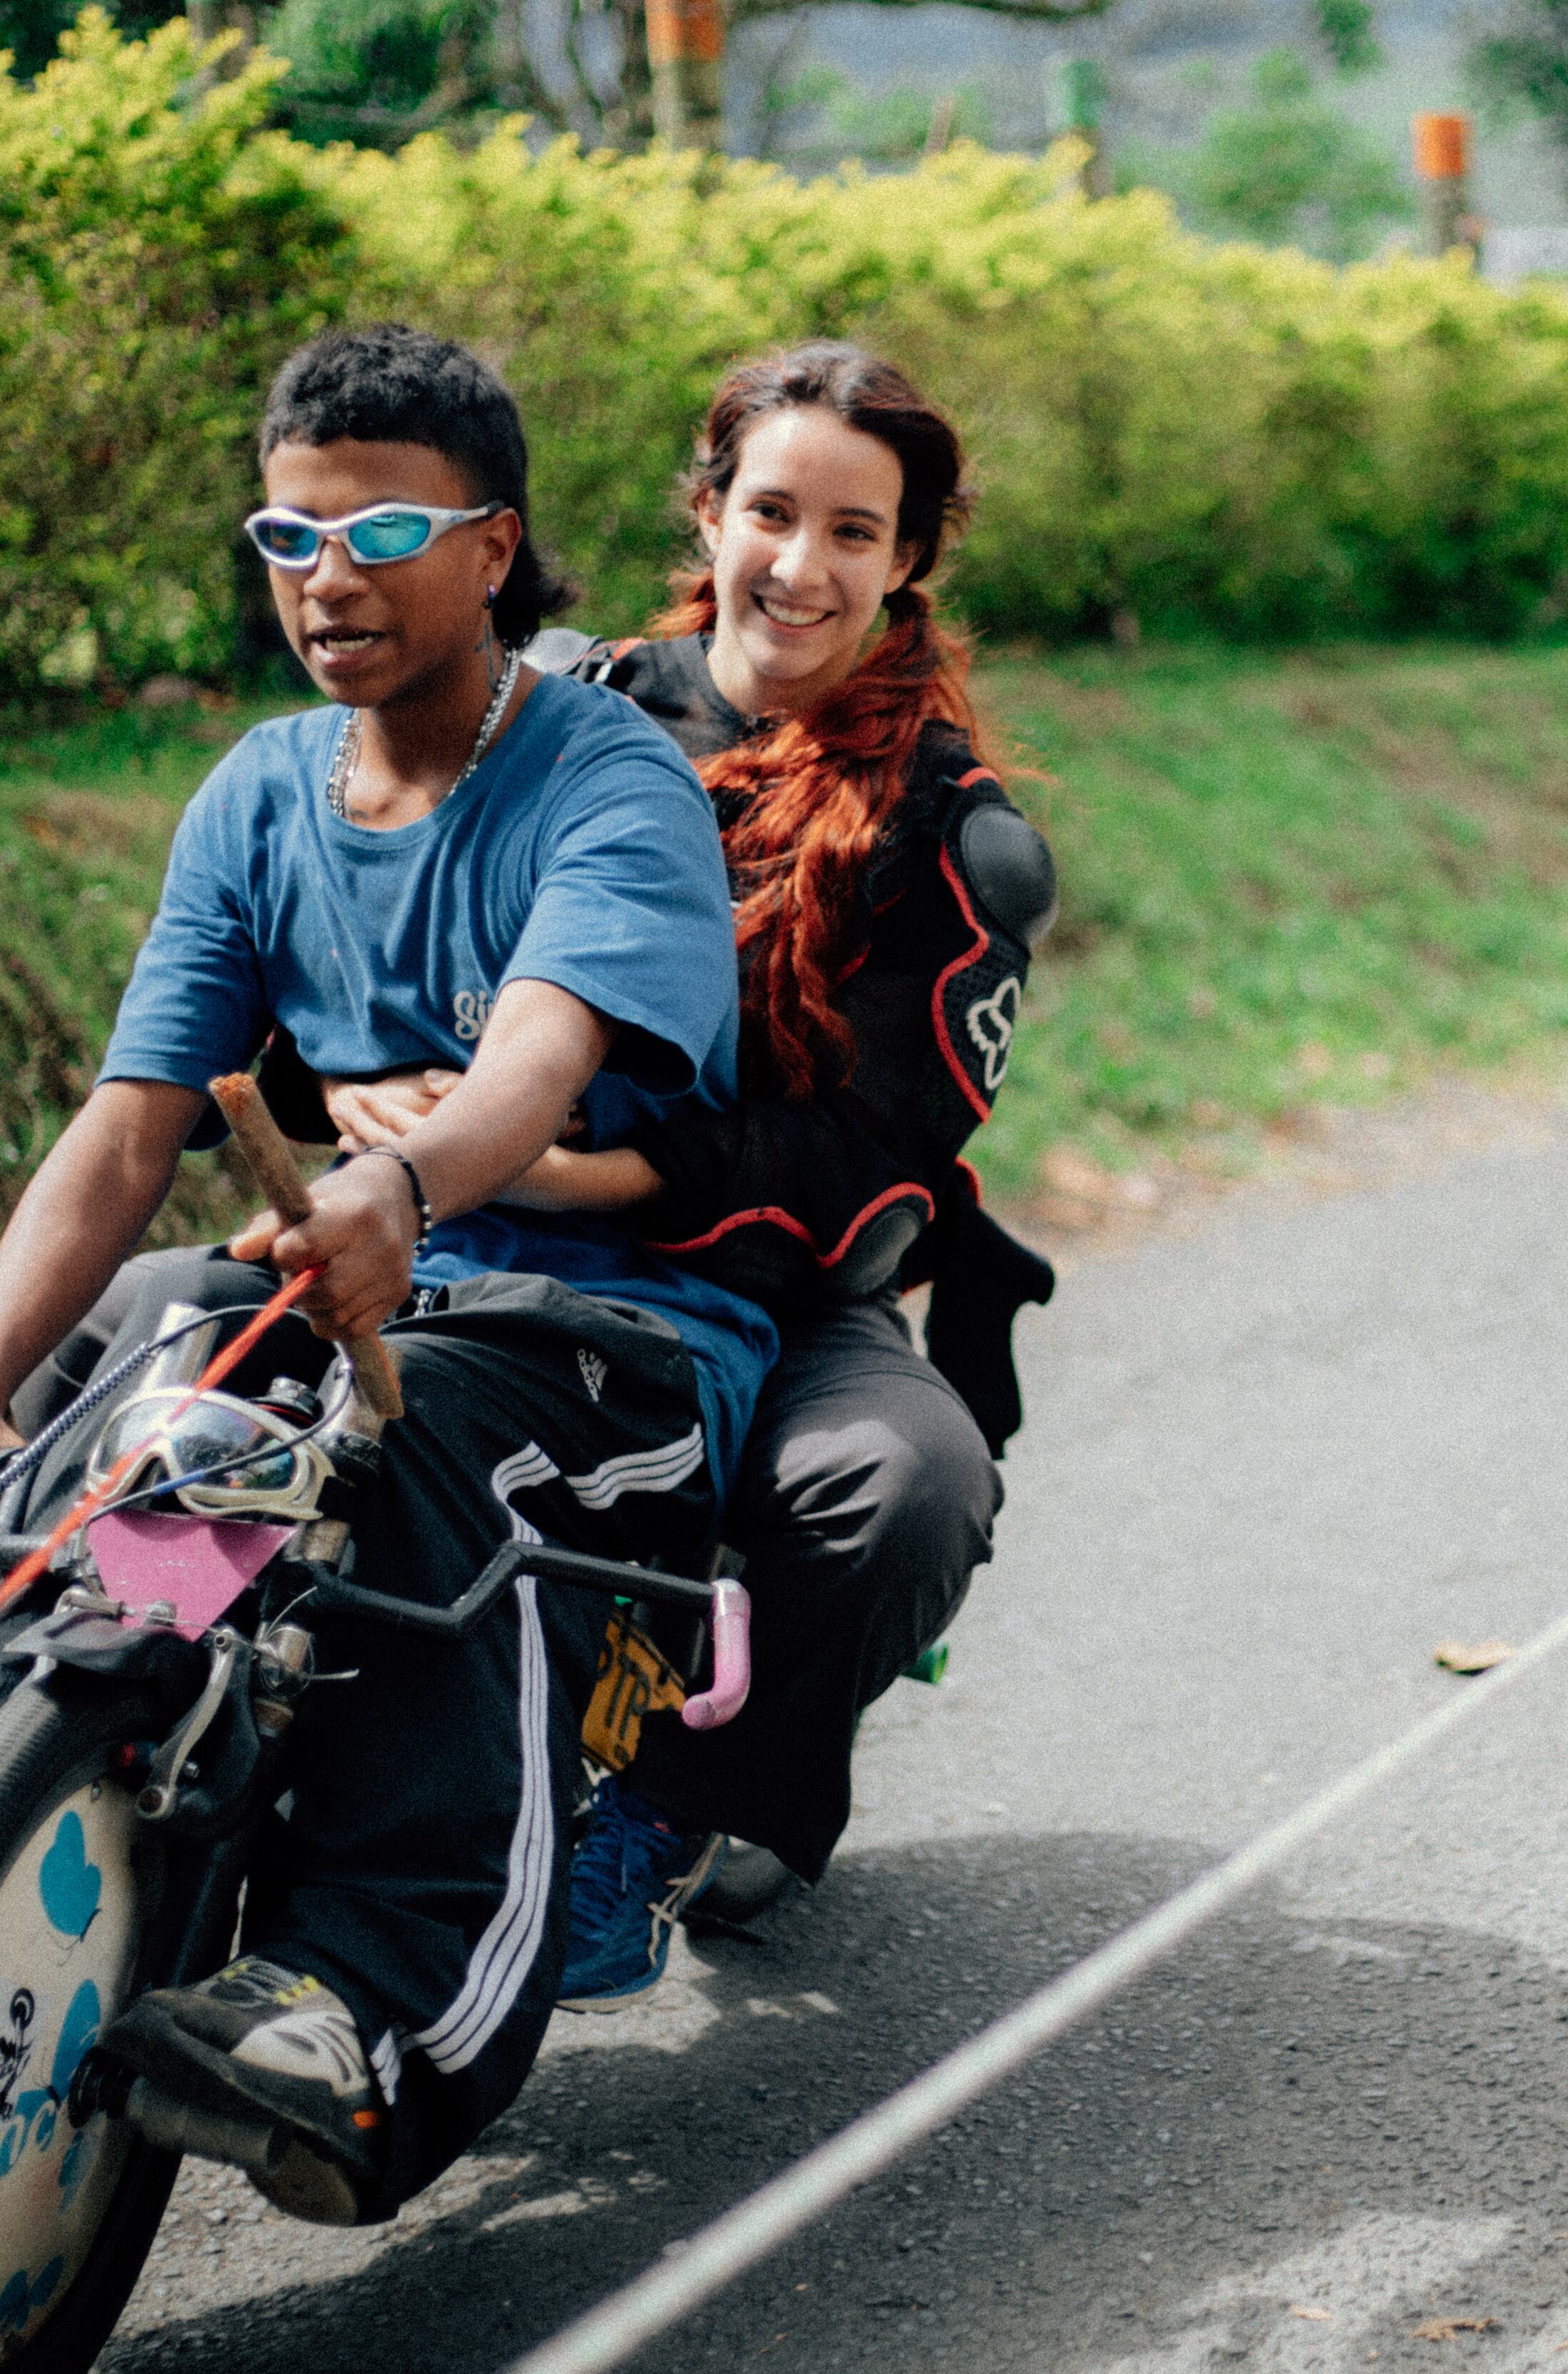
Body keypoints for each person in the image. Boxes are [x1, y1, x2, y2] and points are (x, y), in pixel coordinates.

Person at [0, 323, 778, 2224]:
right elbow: (131, 1124)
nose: (329, 575)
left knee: (435, 1461)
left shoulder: (609, 781)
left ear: (493, 546)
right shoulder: (257, 792)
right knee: (151, 1354)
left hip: (608, 1336)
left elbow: (543, 1058)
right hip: (339, 1270)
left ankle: (358, 2003)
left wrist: (407, 1171)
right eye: (287, 535)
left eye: (384, 525)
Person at [325, 343, 1055, 2006]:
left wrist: (599, 1175)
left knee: (901, 1482)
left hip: (766, 1281)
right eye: (772, 511)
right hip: (454, 1213)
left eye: (854, 533)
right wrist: (372, 1088)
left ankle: (664, 1813)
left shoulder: (957, 834)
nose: (800, 568)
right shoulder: (546, 709)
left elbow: (876, 1164)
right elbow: (352, 919)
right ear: (709, 509)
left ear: (908, 560)